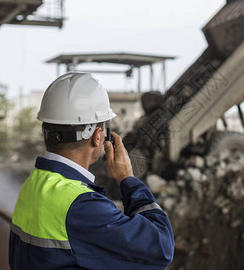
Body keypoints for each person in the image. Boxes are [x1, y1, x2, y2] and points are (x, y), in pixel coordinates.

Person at [9, 72, 174, 270]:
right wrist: (127, 179)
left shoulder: (33, 184)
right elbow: (161, 248)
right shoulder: (82, 206)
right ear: (97, 136)